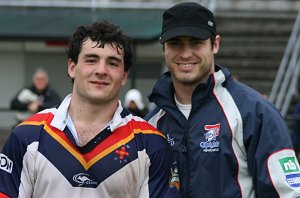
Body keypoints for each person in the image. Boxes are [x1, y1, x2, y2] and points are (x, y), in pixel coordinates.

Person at [0, 21, 178, 198]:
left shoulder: (151, 143)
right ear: (72, 67)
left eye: (113, 63)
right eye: (91, 60)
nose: (101, 70)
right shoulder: (27, 136)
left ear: (124, 75)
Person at [145, 2, 300, 197]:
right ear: (164, 48)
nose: (185, 53)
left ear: (215, 44)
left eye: (195, 42)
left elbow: (288, 193)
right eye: (175, 43)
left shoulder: (255, 112)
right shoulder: (150, 124)